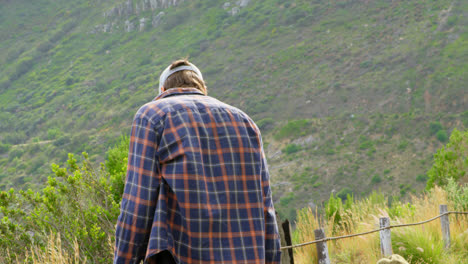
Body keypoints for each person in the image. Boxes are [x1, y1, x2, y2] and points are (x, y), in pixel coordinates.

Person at [114, 59, 281, 264]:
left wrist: (123, 260)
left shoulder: (153, 115)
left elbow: (137, 203)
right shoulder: (247, 123)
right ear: (202, 88)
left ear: (163, 89)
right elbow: (266, 210)